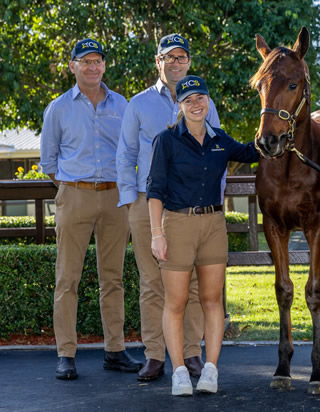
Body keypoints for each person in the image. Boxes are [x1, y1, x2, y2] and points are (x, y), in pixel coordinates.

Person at [117, 33, 221, 381]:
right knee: (152, 283)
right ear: (157, 62)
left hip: (192, 209)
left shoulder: (204, 102)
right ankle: (155, 355)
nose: (176, 62)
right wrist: (132, 200)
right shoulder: (139, 104)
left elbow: (218, 151)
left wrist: (214, 196)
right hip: (151, 206)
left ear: (188, 62)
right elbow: (126, 155)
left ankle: (190, 353)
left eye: (182, 57)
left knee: (191, 284)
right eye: (169, 57)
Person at [147, 75, 258, 396]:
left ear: (208, 101)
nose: (196, 104)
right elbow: (154, 191)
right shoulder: (166, 141)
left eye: (200, 98)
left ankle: (210, 369)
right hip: (178, 224)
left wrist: (281, 130)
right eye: (188, 99)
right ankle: (179, 371)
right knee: (176, 302)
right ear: (179, 105)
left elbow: (254, 152)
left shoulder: (220, 139)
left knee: (212, 301)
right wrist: (157, 234)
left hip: (213, 226)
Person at [41, 38, 143, 380]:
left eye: (98, 61)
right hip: (75, 196)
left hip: (115, 199)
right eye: (85, 61)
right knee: (67, 279)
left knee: (112, 278)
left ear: (104, 66)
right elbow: (49, 163)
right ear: (73, 66)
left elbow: (130, 151)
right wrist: (75, 189)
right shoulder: (58, 109)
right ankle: (66, 354)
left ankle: (115, 350)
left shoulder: (123, 105)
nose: (92, 67)